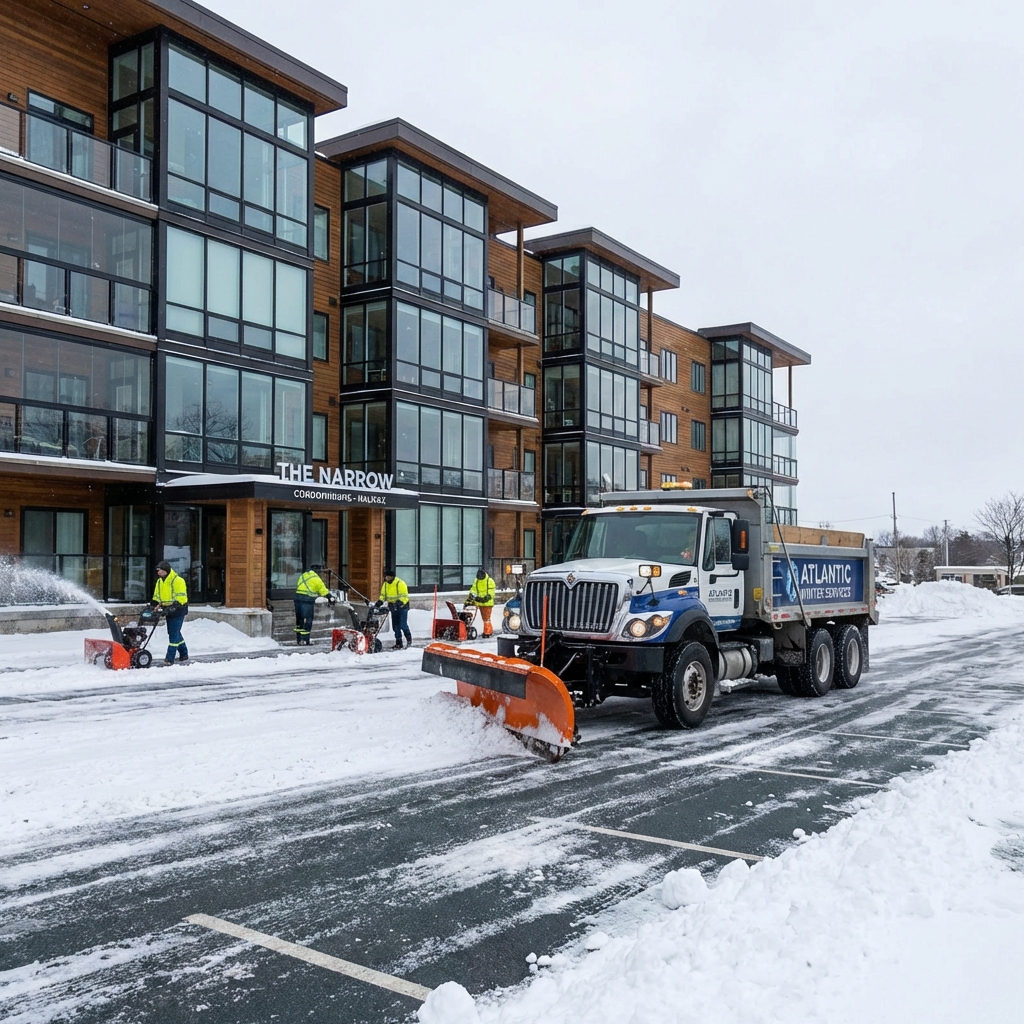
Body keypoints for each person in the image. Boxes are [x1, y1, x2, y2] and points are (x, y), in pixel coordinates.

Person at [151, 560, 188, 665]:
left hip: (179, 609)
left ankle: (169, 658)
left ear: (166, 571)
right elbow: (157, 596)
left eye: (160, 571)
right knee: (174, 632)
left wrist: (172, 607)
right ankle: (184, 653)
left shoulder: (178, 581)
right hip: (168, 610)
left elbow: (181, 598)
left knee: (173, 633)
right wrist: (155, 605)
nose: (158, 573)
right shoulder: (159, 581)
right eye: (157, 571)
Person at [294, 564, 333, 645]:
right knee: (308, 620)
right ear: (317, 572)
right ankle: (306, 641)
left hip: (297, 599)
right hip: (307, 601)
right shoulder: (316, 579)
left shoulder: (303, 575)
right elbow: (323, 591)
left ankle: (299, 639)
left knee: (300, 620)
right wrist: (330, 597)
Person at [377, 568, 412, 649]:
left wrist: (397, 604)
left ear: (393, 577)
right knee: (395, 626)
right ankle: (399, 643)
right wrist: (379, 602)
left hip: (402, 607)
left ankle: (409, 641)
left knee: (403, 625)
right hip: (393, 608)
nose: (387, 579)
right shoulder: (385, 584)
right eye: (386, 577)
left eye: (389, 577)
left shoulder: (400, 583)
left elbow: (404, 597)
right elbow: (383, 595)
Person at [468, 567, 496, 636]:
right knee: (485, 619)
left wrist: (486, 598)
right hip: (479, 602)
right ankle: (489, 630)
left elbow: (491, 592)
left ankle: (487, 632)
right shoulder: (476, 580)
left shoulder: (490, 581)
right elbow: (473, 589)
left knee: (486, 618)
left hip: (487, 603)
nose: (479, 579)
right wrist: (472, 595)